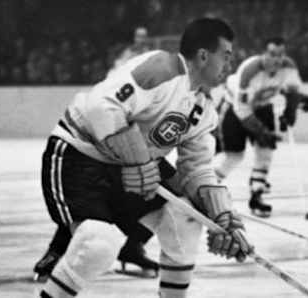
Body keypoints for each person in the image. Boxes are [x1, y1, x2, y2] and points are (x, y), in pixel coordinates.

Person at [37, 18, 253, 298]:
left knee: (187, 215)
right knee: (98, 244)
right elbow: (100, 105)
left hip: (129, 168)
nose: (229, 66)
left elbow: (197, 169)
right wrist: (137, 159)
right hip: (79, 157)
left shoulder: (203, 108)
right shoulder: (162, 68)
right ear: (203, 55)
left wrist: (221, 216)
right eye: (226, 56)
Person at [34, 27, 160, 282]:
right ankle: (56, 252)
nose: (142, 40)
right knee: (90, 201)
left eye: (144, 37)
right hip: (108, 129)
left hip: (131, 131)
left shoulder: (152, 62)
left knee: (160, 190)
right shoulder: (130, 58)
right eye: (138, 37)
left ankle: (132, 245)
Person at [213, 37, 308, 218]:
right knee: (234, 156)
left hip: (263, 107)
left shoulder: (289, 67)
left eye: (280, 55)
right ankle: (206, 189)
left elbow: (292, 92)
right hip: (234, 108)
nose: (276, 60)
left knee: (265, 152)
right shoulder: (250, 71)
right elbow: (243, 110)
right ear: (264, 54)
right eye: (272, 54)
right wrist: (262, 132)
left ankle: (257, 195)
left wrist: (291, 110)